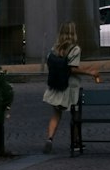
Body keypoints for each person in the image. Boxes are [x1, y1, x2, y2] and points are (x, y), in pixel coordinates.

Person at [42, 22, 99, 151]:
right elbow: (72, 69)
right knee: (75, 115)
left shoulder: (54, 48)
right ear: (73, 33)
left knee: (56, 115)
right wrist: (89, 72)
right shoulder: (75, 49)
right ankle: (75, 142)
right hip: (70, 87)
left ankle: (49, 138)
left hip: (56, 85)